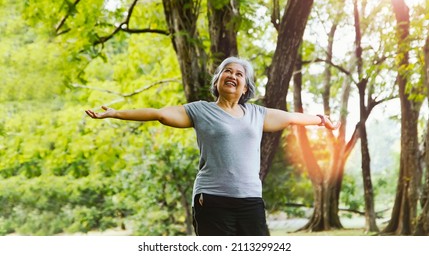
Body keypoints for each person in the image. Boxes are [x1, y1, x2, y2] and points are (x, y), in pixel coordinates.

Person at [85, 56, 340, 236]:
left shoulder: (256, 114)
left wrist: (321, 120)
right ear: (218, 80)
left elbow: (292, 118)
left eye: (239, 74)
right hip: (212, 200)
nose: (232, 75)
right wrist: (117, 113)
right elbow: (159, 114)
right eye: (227, 71)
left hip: (250, 200)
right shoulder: (200, 111)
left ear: (245, 88)